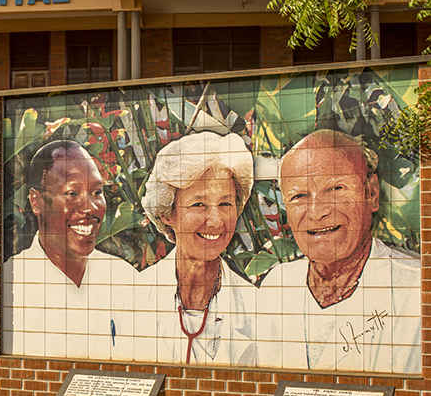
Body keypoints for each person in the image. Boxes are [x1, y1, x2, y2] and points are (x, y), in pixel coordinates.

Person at [259, 129, 420, 373]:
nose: (317, 211)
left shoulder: (416, 288)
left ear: (372, 194)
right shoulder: (277, 285)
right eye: (299, 196)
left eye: (336, 189)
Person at [1, 140, 137, 361]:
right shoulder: (12, 282)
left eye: (97, 192)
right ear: (36, 201)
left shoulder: (123, 277)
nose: (90, 208)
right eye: (72, 193)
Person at [140, 131, 258, 366]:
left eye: (225, 204)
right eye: (199, 204)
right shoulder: (133, 298)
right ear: (166, 214)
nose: (215, 221)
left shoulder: (258, 307)